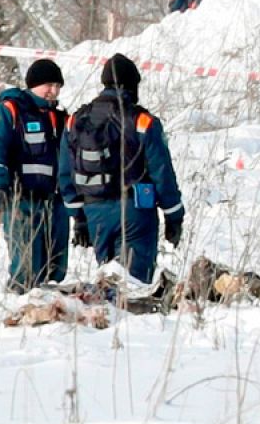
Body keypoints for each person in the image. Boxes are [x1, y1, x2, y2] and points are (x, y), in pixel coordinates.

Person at [59, 54, 184, 284]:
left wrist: (78, 218)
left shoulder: (75, 121)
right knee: (133, 283)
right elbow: (162, 172)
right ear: (132, 85)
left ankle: (108, 315)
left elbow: (66, 174)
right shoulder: (142, 121)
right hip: (135, 211)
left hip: (95, 212)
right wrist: (173, 215)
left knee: (107, 278)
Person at [0, 59, 69, 292]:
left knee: (54, 268)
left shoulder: (58, 119)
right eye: (48, 85)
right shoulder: (10, 110)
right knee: (27, 267)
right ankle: (17, 305)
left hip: (53, 203)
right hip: (20, 202)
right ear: (33, 84)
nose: (54, 91)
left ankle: (48, 316)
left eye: (58, 86)